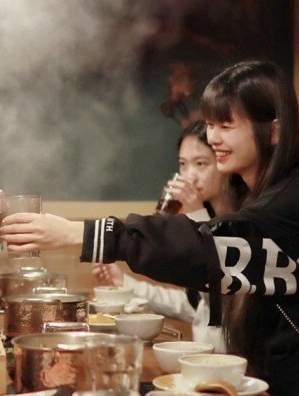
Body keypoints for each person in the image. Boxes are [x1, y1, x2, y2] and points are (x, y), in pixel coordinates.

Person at [2, 61, 299, 396]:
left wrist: (77, 234)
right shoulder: (260, 193)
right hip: (274, 390)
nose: (213, 138)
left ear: (274, 131)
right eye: (210, 124)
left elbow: (204, 249)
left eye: (226, 126)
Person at [93, 121, 228, 351]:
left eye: (201, 164)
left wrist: (197, 216)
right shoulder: (203, 219)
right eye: (183, 164)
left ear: (224, 161)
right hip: (202, 357)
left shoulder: (239, 225)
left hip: (230, 364)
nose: (189, 176)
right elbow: (193, 304)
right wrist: (124, 283)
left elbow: (222, 301)